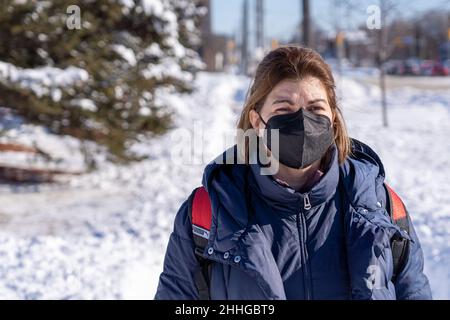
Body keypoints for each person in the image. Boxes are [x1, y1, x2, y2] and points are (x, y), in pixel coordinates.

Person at [154, 46, 432, 300]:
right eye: (284, 109)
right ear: (257, 121)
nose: (302, 121)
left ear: (333, 120)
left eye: (315, 109)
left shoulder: (380, 207)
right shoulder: (208, 215)